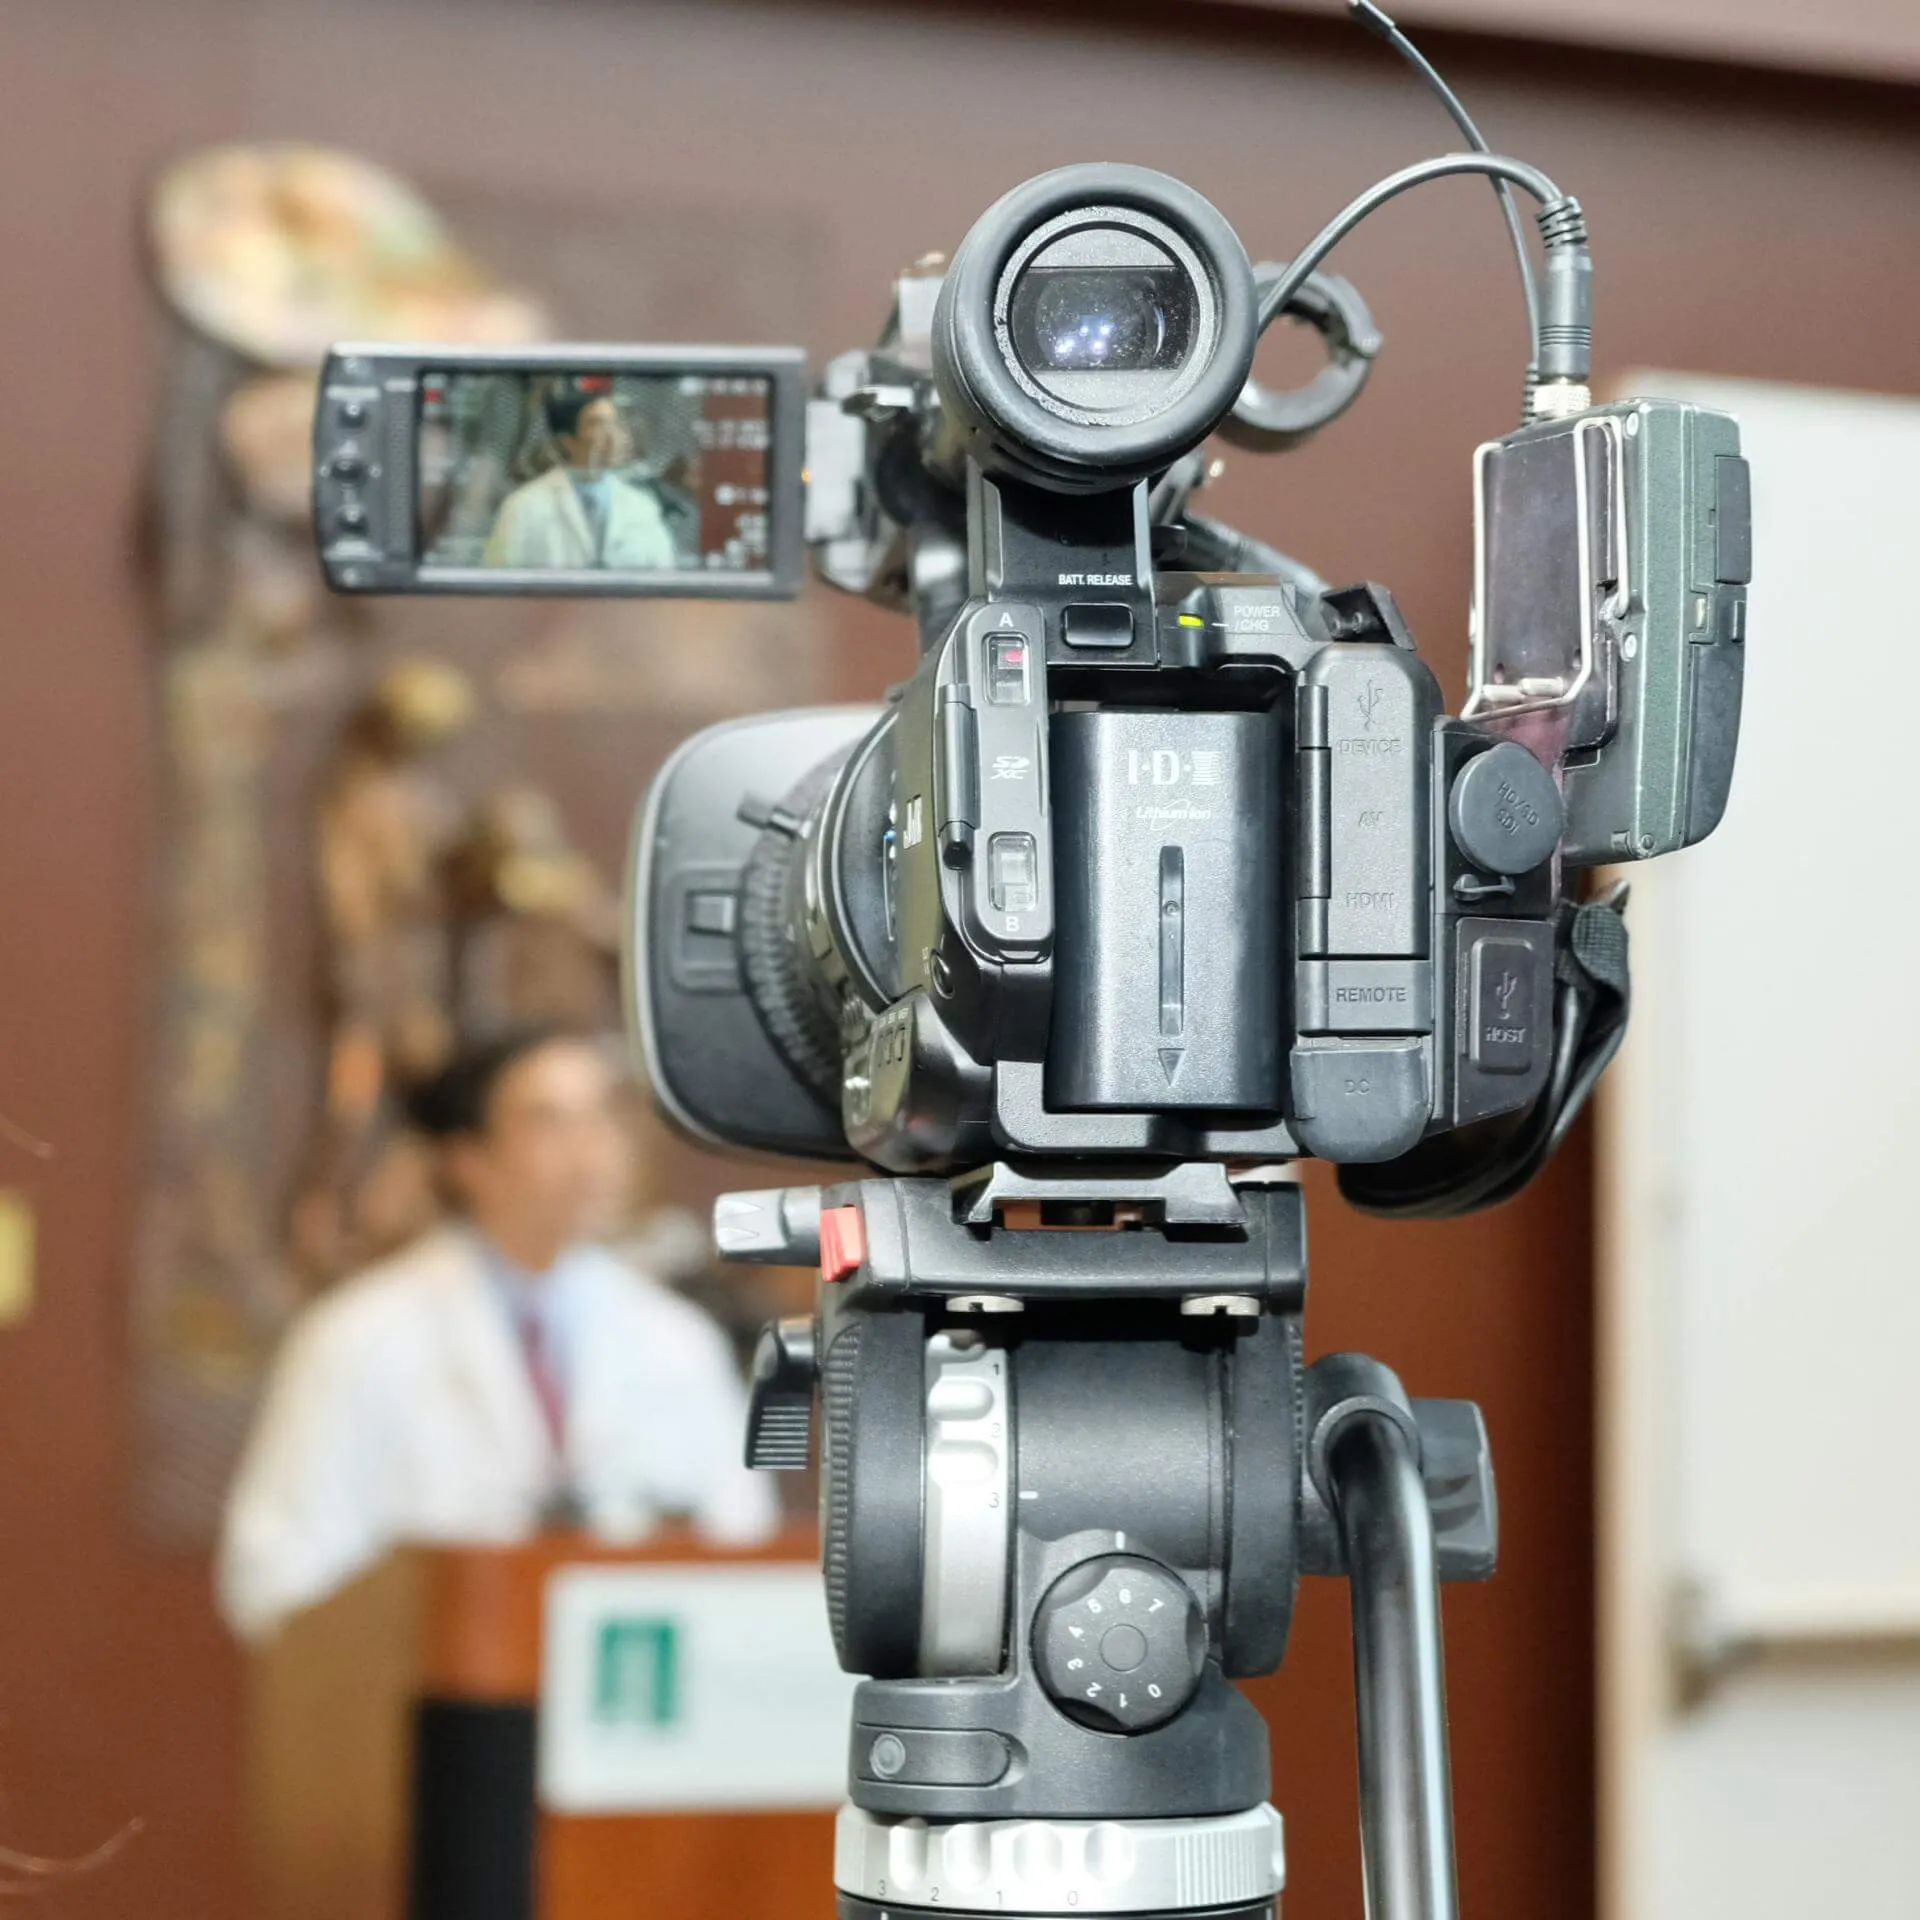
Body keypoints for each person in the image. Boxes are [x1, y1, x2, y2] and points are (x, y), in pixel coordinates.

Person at [218, 1028, 774, 1641]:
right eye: (550, 1123)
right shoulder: (357, 1339)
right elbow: (275, 1577)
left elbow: (742, 1546)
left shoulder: (677, 1341)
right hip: (432, 1682)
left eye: (603, 1117)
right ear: (469, 1160)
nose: (590, 1152)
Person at [481, 387, 679, 570]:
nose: (612, 436)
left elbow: (664, 575)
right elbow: (498, 578)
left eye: (616, 424)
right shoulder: (524, 506)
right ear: (568, 441)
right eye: (598, 425)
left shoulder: (641, 507)